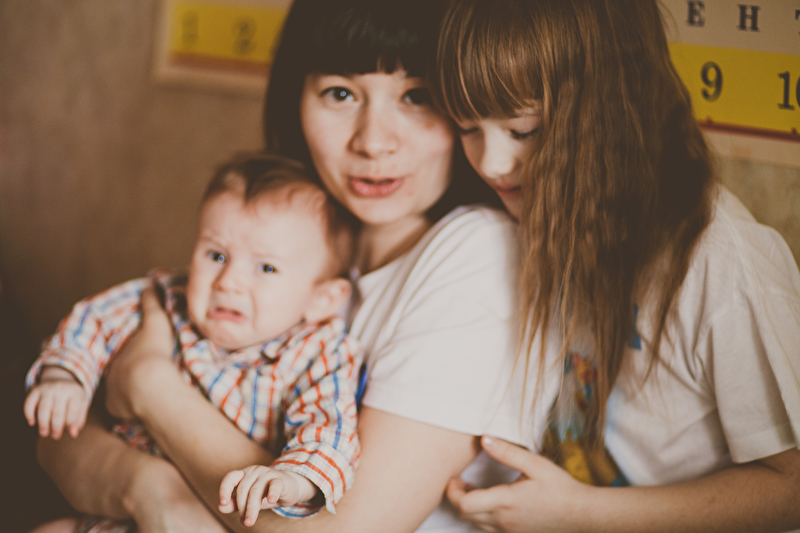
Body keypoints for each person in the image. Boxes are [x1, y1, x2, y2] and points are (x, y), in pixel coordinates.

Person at [36, 1, 546, 532]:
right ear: (295, 98)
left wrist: (150, 386)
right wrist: (152, 491)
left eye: (417, 96)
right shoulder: (282, 234)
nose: (373, 141)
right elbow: (56, 441)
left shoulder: (477, 256)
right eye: (340, 94)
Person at [434, 0, 800, 531]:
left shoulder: (722, 263)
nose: (491, 163)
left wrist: (578, 514)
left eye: (524, 130)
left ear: (612, 110)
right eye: (468, 127)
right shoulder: (534, 212)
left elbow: (792, 487)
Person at [26, 153, 363, 532]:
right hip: (119, 512)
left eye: (266, 267)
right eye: (216, 255)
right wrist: (64, 376)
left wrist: (292, 480)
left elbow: (329, 428)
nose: (228, 281)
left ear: (323, 299)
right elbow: (95, 320)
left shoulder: (319, 353)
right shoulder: (170, 298)